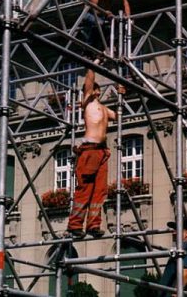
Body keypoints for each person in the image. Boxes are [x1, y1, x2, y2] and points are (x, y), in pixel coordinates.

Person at [67, 59, 116, 239]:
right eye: (95, 88)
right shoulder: (87, 104)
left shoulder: (103, 109)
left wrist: (121, 93)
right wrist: (93, 64)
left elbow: (118, 115)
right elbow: (88, 80)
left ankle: (93, 225)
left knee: (99, 190)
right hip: (89, 150)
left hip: (101, 151)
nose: (97, 90)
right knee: (85, 189)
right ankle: (75, 225)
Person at [159, 218, 187, 297]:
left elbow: (186, 272)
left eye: (177, 229)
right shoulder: (183, 248)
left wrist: (176, 293)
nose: (173, 232)